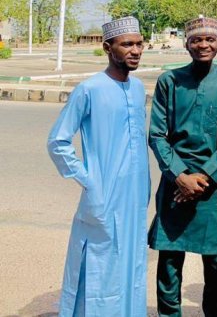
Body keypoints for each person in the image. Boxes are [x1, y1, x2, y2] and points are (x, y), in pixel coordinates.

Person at [47, 16, 150, 316]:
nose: (135, 50)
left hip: (134, 198)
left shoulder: (137, 88)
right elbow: (57, 141)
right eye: (127, 44)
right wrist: (89, 179)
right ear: (108, 47)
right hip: (103, 196)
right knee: (100, 268)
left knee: (131, 266)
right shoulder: (89, 89)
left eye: (139, 44)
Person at [148, 16, 217, 316]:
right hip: (176, 185)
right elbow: (158, 135)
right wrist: (181, 176)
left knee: (215, 264)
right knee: (170, 264)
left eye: (209, 39)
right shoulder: (169, 81)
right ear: (186, 44)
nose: (203, 45)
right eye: (196, 40)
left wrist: (205, 178)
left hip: (214, 188)